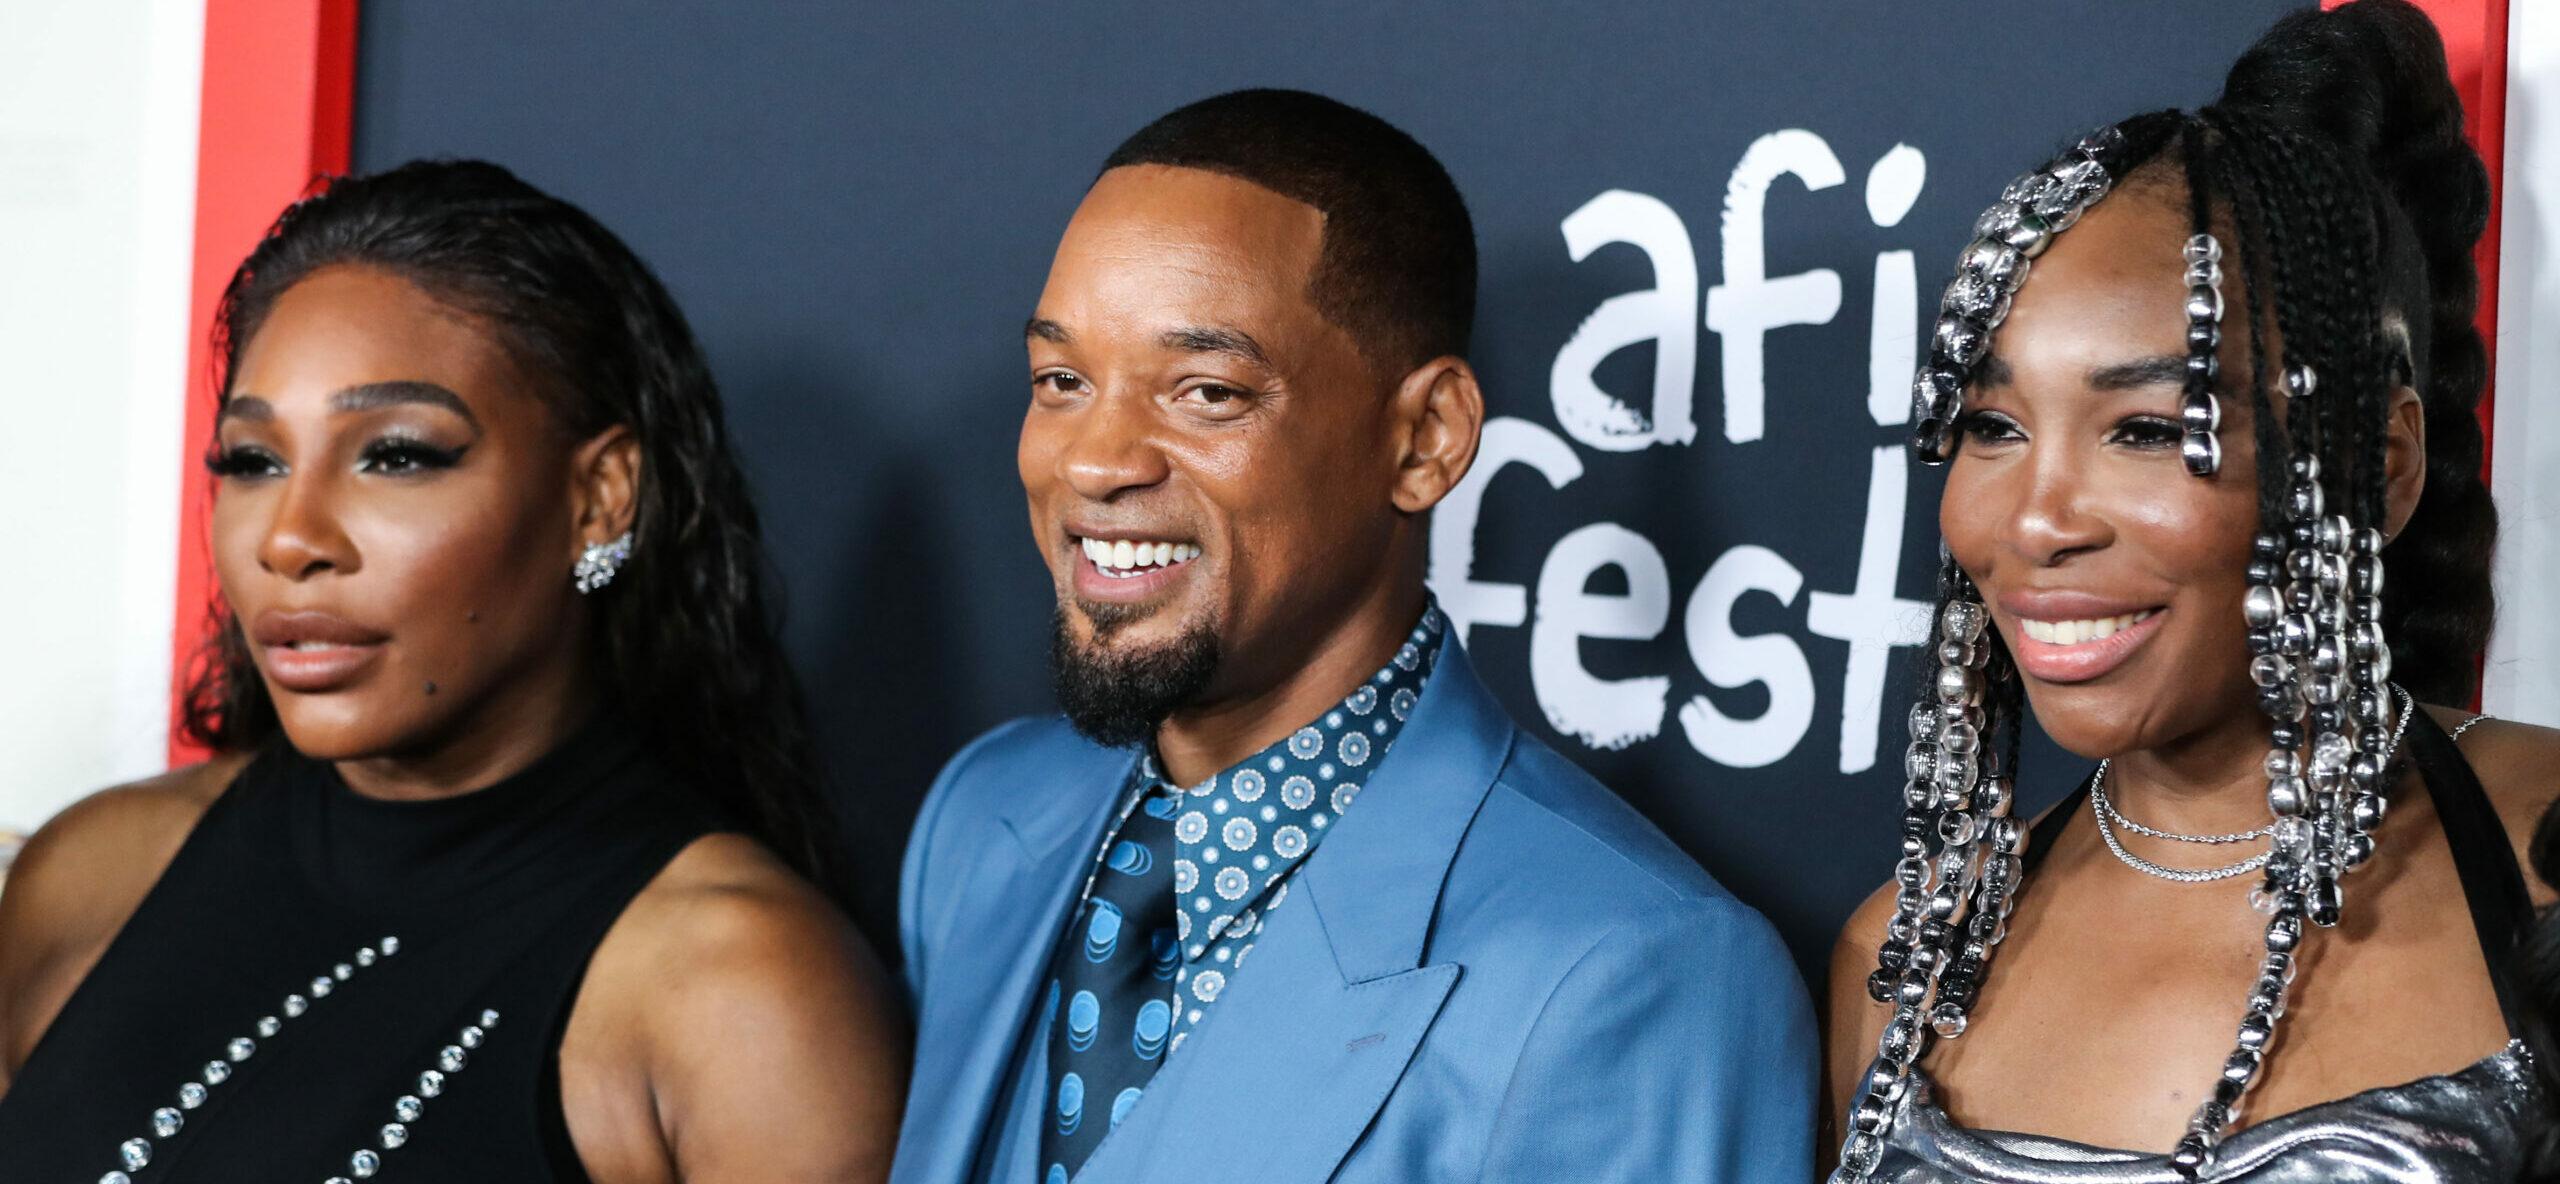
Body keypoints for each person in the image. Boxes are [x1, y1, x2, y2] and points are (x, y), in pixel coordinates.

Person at [890, 88, 1815, 1184]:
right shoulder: (982, 820)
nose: (1094, 460)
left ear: (1424, 439)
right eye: (1062, 380)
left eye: (1205, 391)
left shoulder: (1642, 971)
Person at [0, 161, 905, 1182]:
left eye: (395, 453)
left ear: (600, 496)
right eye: (253, 460)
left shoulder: (741, 995)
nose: (291, 537)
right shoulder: (92, 874)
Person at [1822, 2, 2560, 1180]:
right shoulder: (1907, 951)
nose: (2035, 520)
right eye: (1993, 424)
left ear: (2379, 465)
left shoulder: (2543, 854)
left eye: (2150, 428)